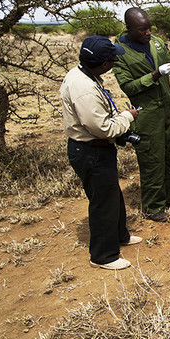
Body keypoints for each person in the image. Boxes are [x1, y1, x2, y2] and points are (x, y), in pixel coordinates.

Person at [61, 35, 143, 270]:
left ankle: (120, 235)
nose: (115, 62)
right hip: (90, 149)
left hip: (96, 149)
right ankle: (103, 256)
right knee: (102, 202)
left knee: (111, 195)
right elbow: (103, 129)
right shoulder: (84, 89)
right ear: (105, 64)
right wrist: (127, 116)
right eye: (112, 59)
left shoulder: (84, 74)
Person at [113, 7, 170, 222]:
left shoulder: (156, 43)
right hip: (146, 113)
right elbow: (128, 87)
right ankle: (153, 206)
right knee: (152, 159)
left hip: (167, 109)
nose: (147, 33)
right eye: (142, 30)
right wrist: (156, 74)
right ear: (129, 28)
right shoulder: (119, 52)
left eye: (149, 28)